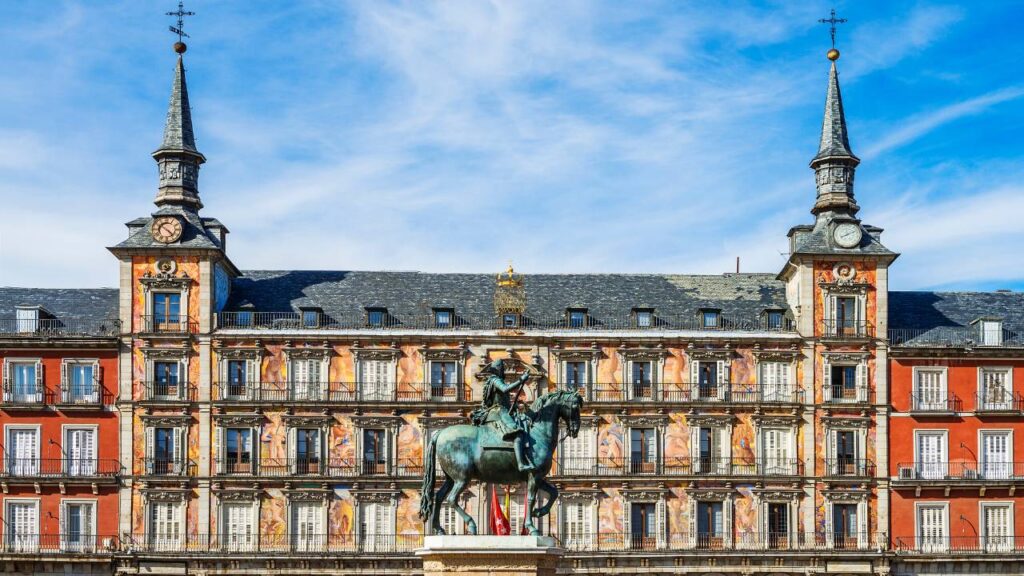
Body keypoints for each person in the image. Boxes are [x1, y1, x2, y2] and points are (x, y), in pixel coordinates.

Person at [471, 358, 535, 471]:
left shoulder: (494, 380)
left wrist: (514, 406)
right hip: (499, 412)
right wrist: (521, 379)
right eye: (502, 368)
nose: (503, 371)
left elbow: (503, 400)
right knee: (518, 433)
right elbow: (505, 389)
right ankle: (520, 464)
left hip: (501, 410)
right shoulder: (495, 380)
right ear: (498, 370)